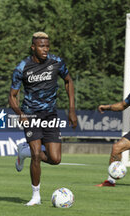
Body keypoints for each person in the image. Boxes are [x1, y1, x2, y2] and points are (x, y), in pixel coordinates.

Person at [8, 32, 78, 205]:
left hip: (50, 115)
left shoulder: (57, 62)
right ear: (33, 47)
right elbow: (12, 96)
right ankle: (36, 196)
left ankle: (23, 151)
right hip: (31, 115)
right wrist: (20, 114)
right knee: (37, 155)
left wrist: (71, 109)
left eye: (47, 46)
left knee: (55, 159)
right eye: (41, 46)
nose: (45, 49)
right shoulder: (22, 67)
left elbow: (68, 81)